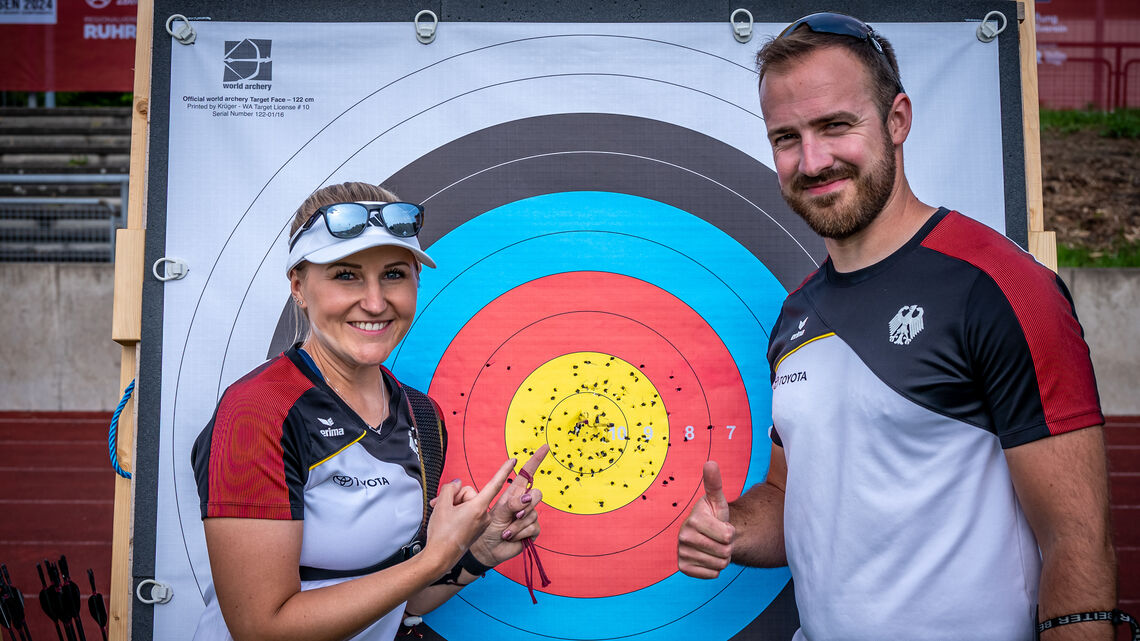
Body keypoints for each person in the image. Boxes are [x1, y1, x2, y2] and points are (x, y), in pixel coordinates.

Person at [677, 13, 1117, 641]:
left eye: (836, 126)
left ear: (898, 119)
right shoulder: (796, 316)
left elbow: (1077, 541)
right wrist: (730, 529)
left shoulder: (1000, 288)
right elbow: (789, 495)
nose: (813, 160)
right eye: (786, 137)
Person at [191, 182, 548, 641]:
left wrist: (475, 551)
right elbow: (261, 628)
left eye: (395, 275)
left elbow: (399, 600)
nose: (376, 302)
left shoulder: (421, 414)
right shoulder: (257, 413)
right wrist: (437, 556)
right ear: (298, 286)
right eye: (346, 275)